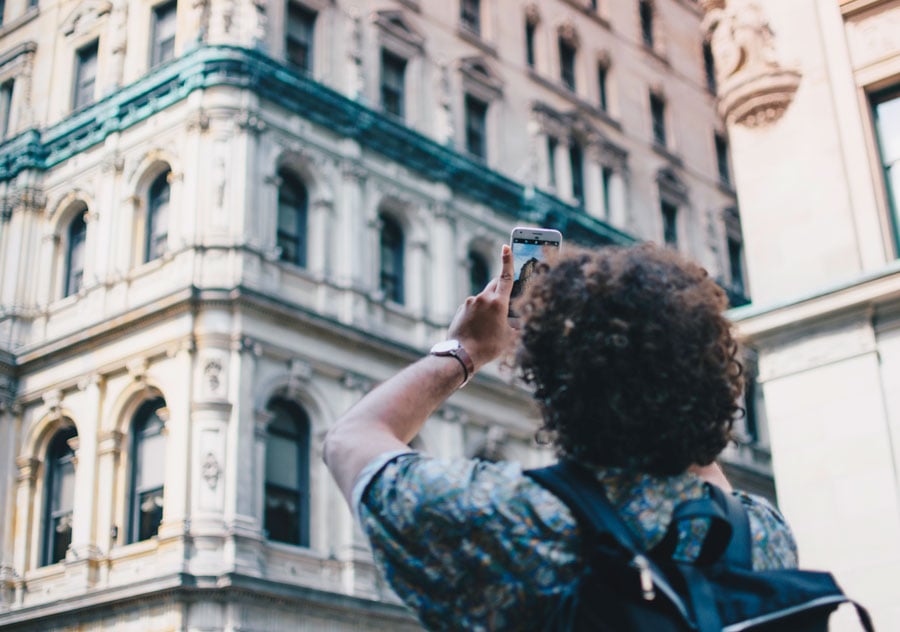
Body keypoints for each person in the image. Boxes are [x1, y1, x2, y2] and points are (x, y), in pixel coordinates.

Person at [323, 242, 798, 631]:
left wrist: (465, 350)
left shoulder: (517, 520)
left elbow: (351, 439)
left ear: (553, 385)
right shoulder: (761, 533)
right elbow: (701, 467)